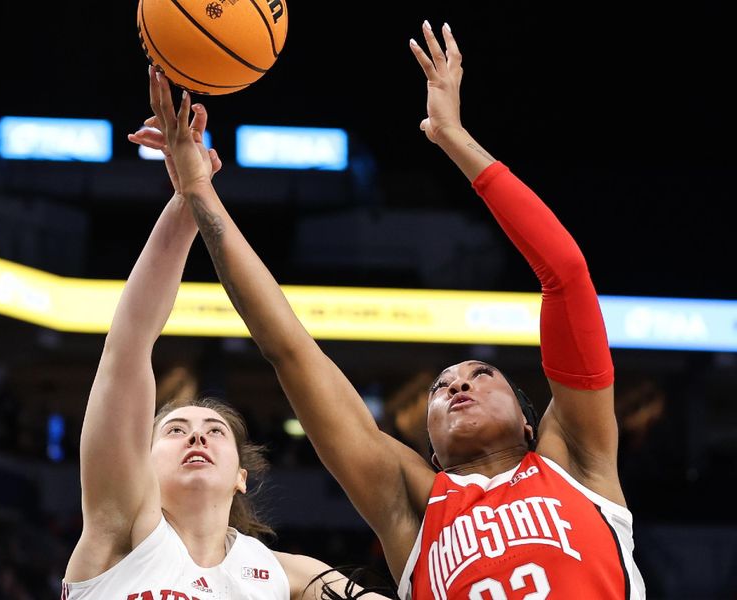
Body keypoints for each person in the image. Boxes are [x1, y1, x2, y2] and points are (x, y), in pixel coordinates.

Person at [152, 20, 646, 599]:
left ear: (531, 422)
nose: (458, 385)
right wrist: (199, 195)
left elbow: (566, 274)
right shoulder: (414, 506)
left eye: (482, 375)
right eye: (441, 385)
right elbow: (288, 348)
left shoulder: (578, 464)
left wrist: (454, 138)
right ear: (429, 446)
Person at [60, 65, 392, 600]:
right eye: (174, 430)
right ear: (138, 463)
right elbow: (128, 346)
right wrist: (186, 205)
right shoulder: (117, 532)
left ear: (242, 474)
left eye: (216, 431)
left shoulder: (291, 576)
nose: (196, 435)